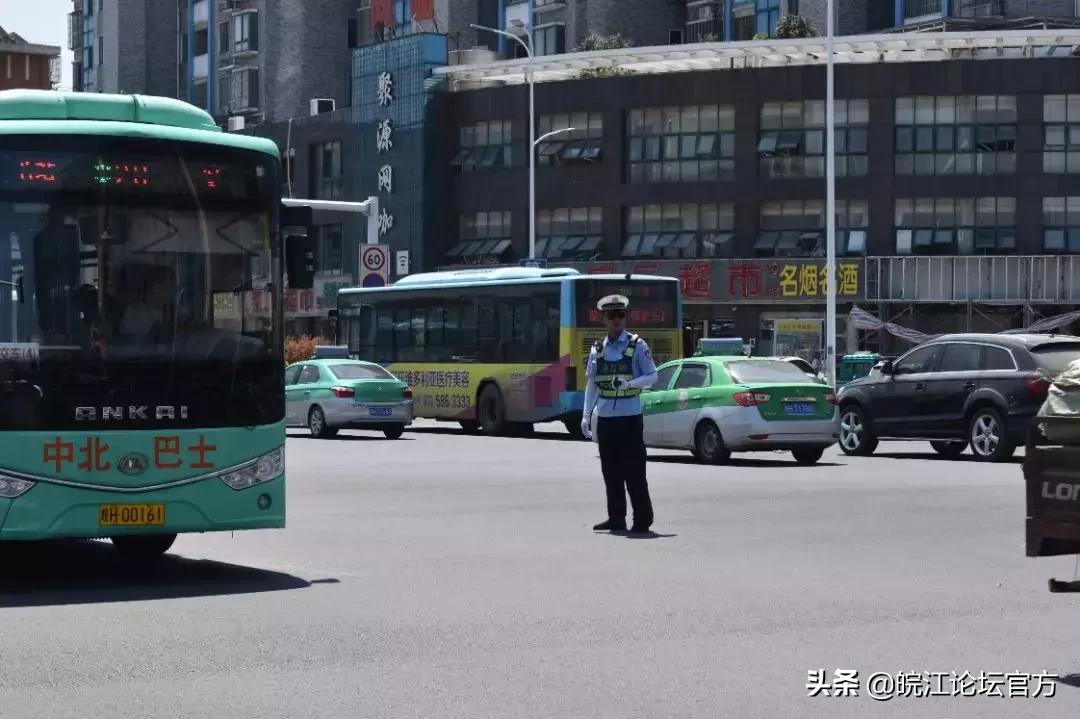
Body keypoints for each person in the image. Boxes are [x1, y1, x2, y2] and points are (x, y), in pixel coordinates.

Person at [581, 294, 658, 534]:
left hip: (630, 418)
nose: (616, 320)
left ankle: (642, 519)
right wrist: (585, 415)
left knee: (634, 471)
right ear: (602, 318)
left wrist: (630, 384)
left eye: (620, 315)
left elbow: (653, 376)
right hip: (606, 419)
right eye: (611, 315)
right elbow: (592, 384)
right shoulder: (597, 349)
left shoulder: (637, 345)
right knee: (610, 471)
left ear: (626, 317)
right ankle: (616, 517)